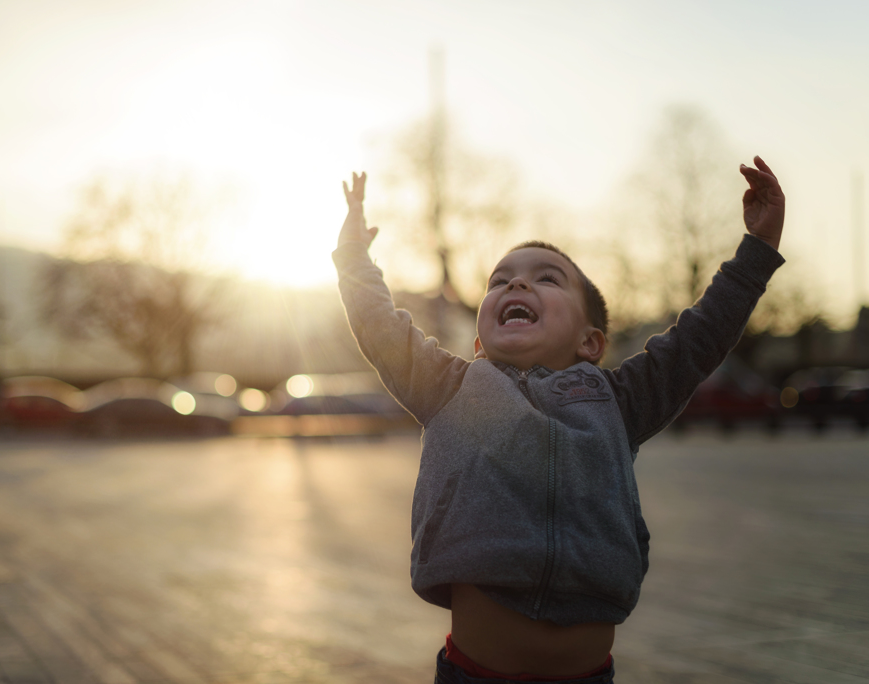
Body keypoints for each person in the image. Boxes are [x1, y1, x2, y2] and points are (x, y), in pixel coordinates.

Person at [332, 158, 786, 683]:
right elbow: (379, 325)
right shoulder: (451, 388)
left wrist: (757, 251)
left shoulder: (620, 399)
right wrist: (352, 258)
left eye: (545, 279)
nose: (516, 286)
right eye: (499, 281)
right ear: (479, 342)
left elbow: (700, 338)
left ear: (591, 342)